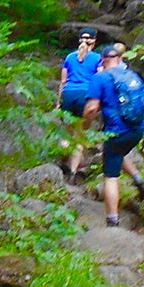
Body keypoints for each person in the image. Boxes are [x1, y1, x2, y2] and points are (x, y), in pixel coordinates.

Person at [87, 41, 144, 224]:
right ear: (120, 59)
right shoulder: (133, 76)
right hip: (137, 129)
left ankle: (112, 220)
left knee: (111, 176)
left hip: (116, 131)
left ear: (102, 61)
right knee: (117, 153)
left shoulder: (100, 78)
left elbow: (92, 108)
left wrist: (84, 127)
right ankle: (140, 181)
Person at [56, 29, 104, 179]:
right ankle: (72, 171)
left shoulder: (70, 57)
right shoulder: (97, 58)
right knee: (80, 136)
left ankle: (63, 157)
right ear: (94, 41)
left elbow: (63, 81)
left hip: (68, 95)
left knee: (67, 132)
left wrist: (58, 101)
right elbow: (99, 79)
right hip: (85, 96)